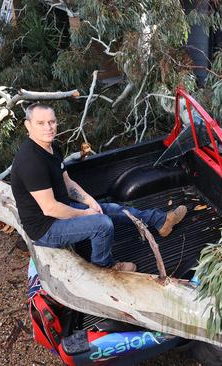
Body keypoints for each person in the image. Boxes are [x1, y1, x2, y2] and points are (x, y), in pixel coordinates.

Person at [11, 103, 187, 272]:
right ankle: (105, 266)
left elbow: (67, 183)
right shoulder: (31, 161)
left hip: (61, 210)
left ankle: (160, 221)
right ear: (28, 125)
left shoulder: (51, 147)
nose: (48, 127)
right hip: (46, 228)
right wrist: (85, 213)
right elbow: (50, 208)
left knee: (111, 209)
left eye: (52, 122)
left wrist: (90, 202)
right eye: (40, 123)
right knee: (102, 224)